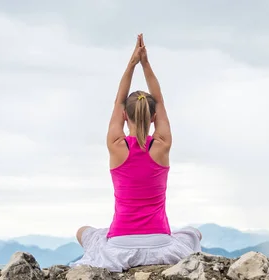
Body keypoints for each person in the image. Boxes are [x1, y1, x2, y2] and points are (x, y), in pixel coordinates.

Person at [70, 34, 202, 272]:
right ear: (154, 117)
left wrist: (132, 63)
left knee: (83, 232)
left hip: (120, 244)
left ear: (124, 116)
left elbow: (118, 102)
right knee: (194, 234)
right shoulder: (162, 145)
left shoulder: (116, 145)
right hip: (160, 243)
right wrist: (146, 64)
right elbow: (159, 101)